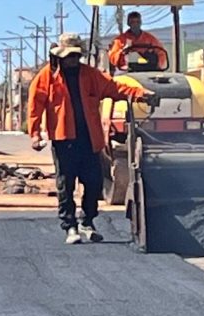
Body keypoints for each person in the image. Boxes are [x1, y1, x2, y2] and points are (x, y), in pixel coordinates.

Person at [26, 33, 143, 244]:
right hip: (64, 140)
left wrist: (140, 93)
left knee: (94, 183)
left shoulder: (90, 75)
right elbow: (35, 106)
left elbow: (114, 88)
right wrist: (34, 134)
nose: (72, 60)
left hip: (89, 140)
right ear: (60, 56)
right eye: (68, 56)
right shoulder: (47, 77)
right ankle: (70, 226)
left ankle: (87, 221)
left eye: (75, 56)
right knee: (66, 185)